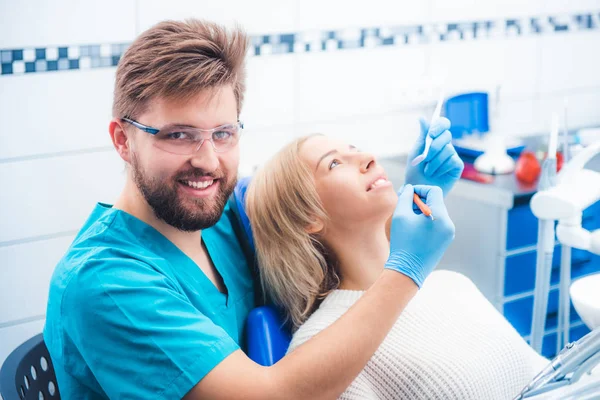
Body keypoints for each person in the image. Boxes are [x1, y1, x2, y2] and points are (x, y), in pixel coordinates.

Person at [44, 19, 460, 399]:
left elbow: (331, 222)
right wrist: (406, 269)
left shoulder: (218, 213)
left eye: (223, 133)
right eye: (179, 135)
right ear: (122, 140)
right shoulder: (107, 282)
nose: (207, 161)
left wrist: (413, 195)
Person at [245, 133, 549, 400]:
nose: (367, 158)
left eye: (356, 148)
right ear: (308, 217)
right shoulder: (322, 347)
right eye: (334, 164)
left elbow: (546, 376)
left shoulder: (450, 284)